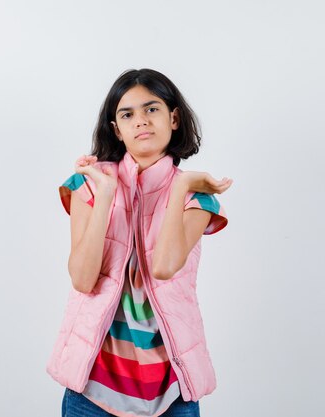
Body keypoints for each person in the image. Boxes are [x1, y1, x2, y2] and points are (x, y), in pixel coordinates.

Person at [47, 68, 232, 417]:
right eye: (127, 114)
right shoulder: (85, 184)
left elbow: (163, 267)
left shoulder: (197, 197)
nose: (141, 121)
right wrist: (105, 195)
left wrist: (179, 186)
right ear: (116, 129)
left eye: (152, 109)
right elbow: (83, 280)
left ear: (173, 118)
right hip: (92, 389)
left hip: (171, 390)